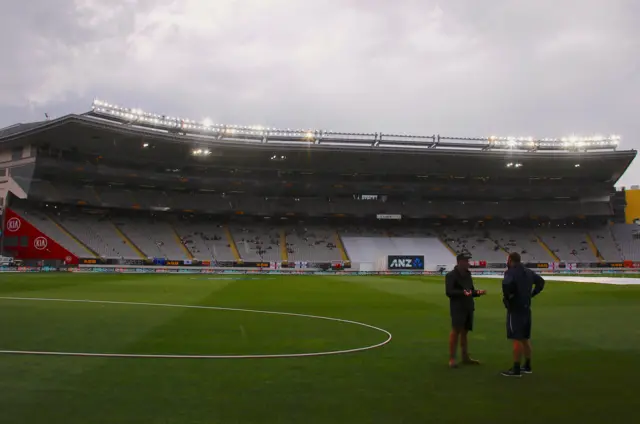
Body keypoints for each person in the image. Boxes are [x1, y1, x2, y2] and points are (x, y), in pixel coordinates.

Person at [500, 252, 545, 377]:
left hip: (515, 309)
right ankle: (527, 365)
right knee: (525, 338)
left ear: (510, 260)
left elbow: (507, 287)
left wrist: (508, 299)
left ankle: (516, 369)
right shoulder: (528, 272)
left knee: (516, 338)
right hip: (526, 308)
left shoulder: (510, 272)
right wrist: (532, 293)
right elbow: (541, 282)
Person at [445, 253, 487, 368]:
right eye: (466, 261)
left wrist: (477, 293)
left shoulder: (468, 275)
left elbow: (471, 291)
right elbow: (449, 292)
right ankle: (452, 359)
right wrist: (463, 293)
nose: (468, 263)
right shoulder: (451, 275)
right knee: (455, 332)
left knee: (465, 332)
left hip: (468, 306)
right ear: (460, 262)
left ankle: (465, 357)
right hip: (458, 307)